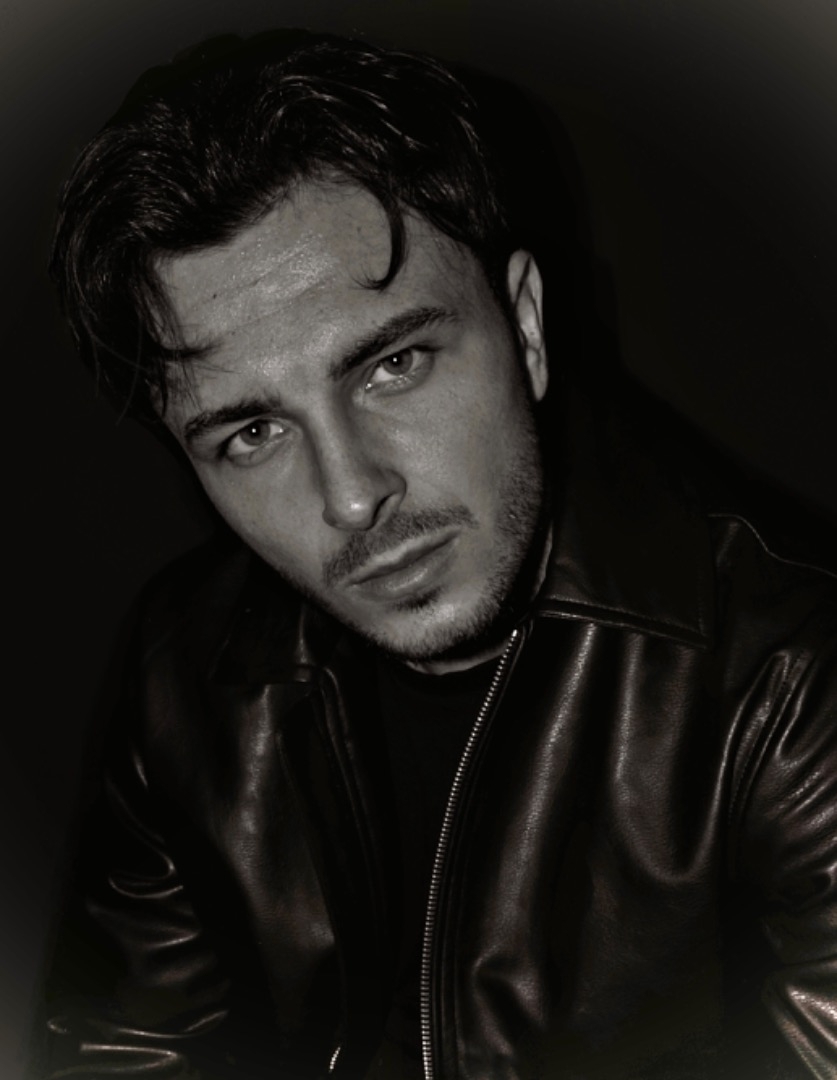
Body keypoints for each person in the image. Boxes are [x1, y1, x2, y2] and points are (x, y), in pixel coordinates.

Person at [39, 28, 837, 1080]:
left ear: (526, 328)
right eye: (253, 432)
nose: (352, 496)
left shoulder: (791, 672)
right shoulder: (186, 672)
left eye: (394, 366)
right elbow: (122, 1051)